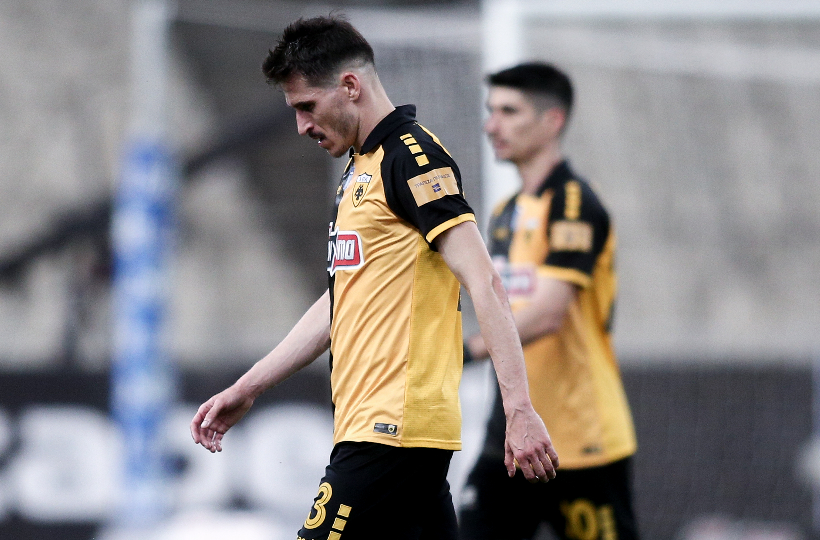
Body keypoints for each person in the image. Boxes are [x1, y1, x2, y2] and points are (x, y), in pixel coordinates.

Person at [189, 16, 559, 540]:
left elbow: (485, 282)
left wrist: (519, 408)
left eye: (306, 106)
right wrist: (249, 386)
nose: (301, 126)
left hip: (390, 433)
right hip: (385, 433)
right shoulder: (361, 169)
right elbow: (339, 301)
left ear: (350, 86)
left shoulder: (412, 158)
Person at [458, 63, 640, 540]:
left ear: (552, 120)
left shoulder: (575, 204)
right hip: (508, 440)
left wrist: (459, 351)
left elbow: (548, 314)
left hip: (580, 440)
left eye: (508, 111)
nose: (491, 125)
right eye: (491, 111)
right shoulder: (504, 213)